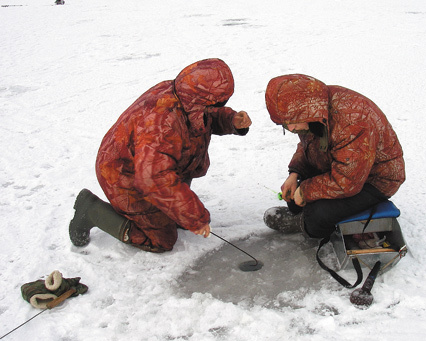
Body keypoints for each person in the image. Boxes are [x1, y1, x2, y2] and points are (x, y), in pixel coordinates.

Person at [69, 58, 252, 253]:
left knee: (173, 212)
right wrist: (195, 218)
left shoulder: (186, 95)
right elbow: (154, 178)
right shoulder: (161, 124)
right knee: (162, 239)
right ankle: (90, 210)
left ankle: (169, 214)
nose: (218, 106)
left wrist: (231, 120)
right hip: (123, 173)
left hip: (153, 165)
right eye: (216, 103)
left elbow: (202, 116)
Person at [263, 74, 405, 239]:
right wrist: (295, 174)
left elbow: (348, 182)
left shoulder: (353, 121)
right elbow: (307, 145)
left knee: (318, 215)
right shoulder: (313, 109)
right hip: (339, 165)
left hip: (373, 180)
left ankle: (305, 223)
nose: (291, 128)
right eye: (285, 124)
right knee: (294, 198)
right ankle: (303, 213)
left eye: (291, 122)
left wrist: (306, 190)